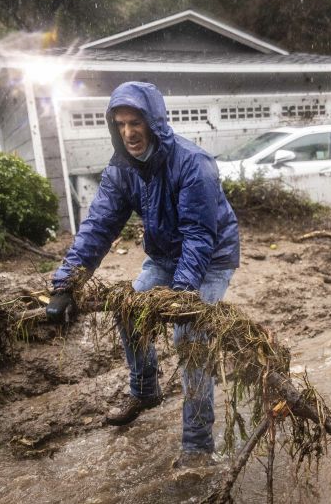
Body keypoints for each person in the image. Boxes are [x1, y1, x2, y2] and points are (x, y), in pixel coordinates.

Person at [46, 81, 240, 467]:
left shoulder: (192, 163)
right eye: (120, 124)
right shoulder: (122, 168)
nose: (128, 133)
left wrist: (180, 296)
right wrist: (66, 283)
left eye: (136, 123)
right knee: (129, 308)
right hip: (165, 255)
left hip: (211, 257)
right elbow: (99, 226)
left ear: (154, 121)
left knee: (191, 338)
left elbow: (199, 237)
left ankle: (198, 446)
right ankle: (146, 389)